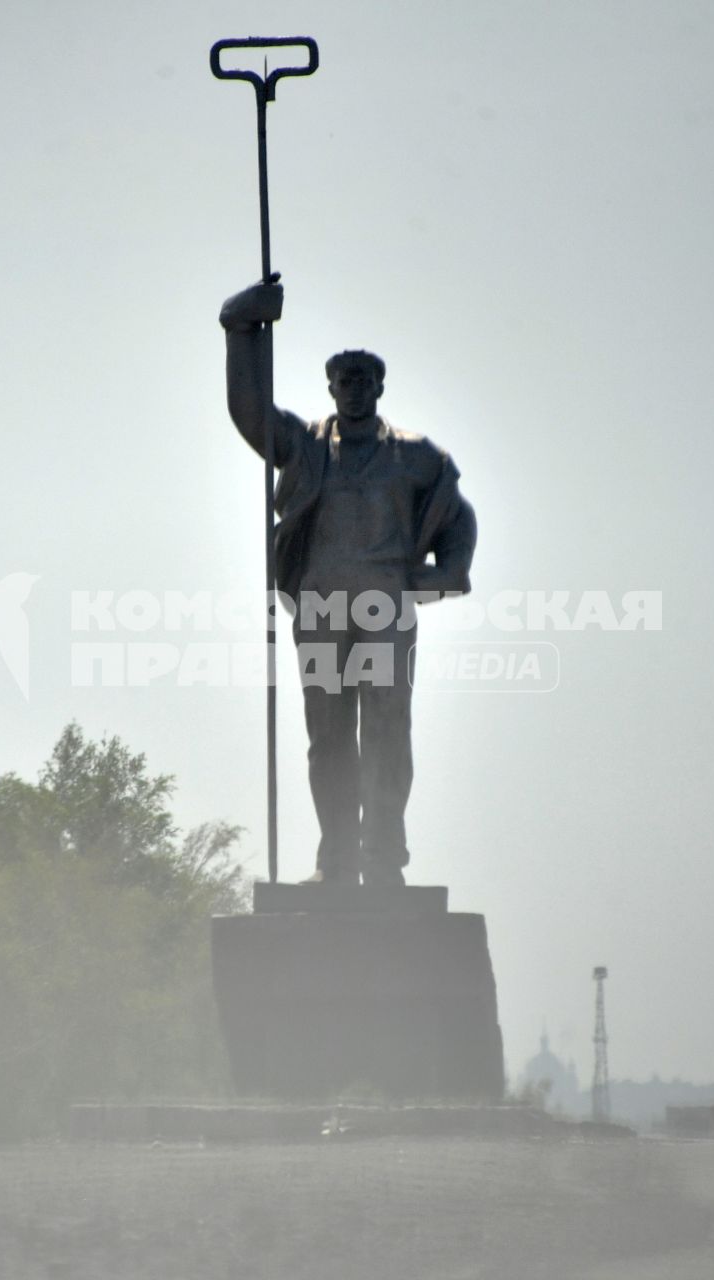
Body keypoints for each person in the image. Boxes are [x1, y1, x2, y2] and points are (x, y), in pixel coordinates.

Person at [219, 280, 477, 886]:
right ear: (330, 387)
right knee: (329, 732)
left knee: (387, 725)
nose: (355, 389)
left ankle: (383, 855)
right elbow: (249, 413)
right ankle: (336, 855)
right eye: (345, 380)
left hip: (386, 603)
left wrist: (451, 571)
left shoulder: (417, 457)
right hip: (321, 604)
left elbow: (457, 515)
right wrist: (241, 330)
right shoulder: (306, 446)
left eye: (366, 380)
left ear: (380, 388)